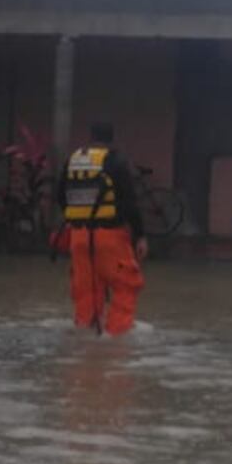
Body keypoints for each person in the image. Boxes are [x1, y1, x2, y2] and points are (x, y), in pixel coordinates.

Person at [57, 120, 148, 334]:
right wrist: (140, 235)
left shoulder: (74, 160)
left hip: (78, 236)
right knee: (126, 285)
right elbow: (129, 201)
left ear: (91, 136)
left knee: (85, 291)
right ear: (111, 138)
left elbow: (60, 196)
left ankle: (85, 334)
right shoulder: (116, 160)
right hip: (110, 236)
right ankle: (116, 338)